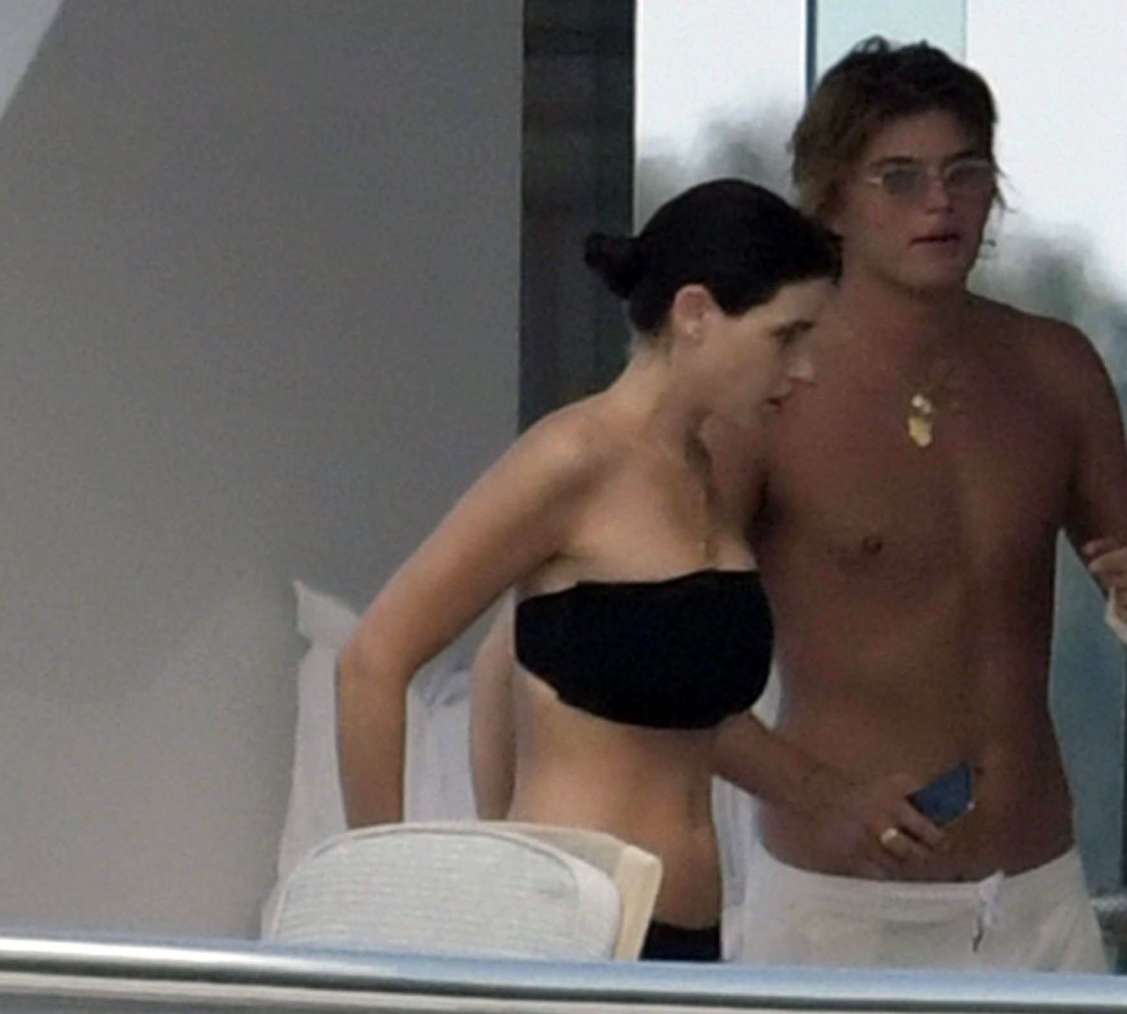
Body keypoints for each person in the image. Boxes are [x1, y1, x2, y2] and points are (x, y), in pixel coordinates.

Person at [708, 38, 1127, 971]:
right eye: (898, 177)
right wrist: (821, 797)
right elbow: (659, 674)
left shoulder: (1054, 368)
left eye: (964, 172)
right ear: (831, 202)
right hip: (839, 901)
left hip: (1034, 888)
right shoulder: (773, 387)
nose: (938, 202)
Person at [335, 178, 839, 962]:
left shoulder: (701, 469)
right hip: (572, 931)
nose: (804, 369)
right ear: (695, 313)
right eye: (785, 336)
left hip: (686, 934)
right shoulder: (572, 457)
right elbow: (373, 661)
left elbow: (511, 652)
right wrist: (383, 917)